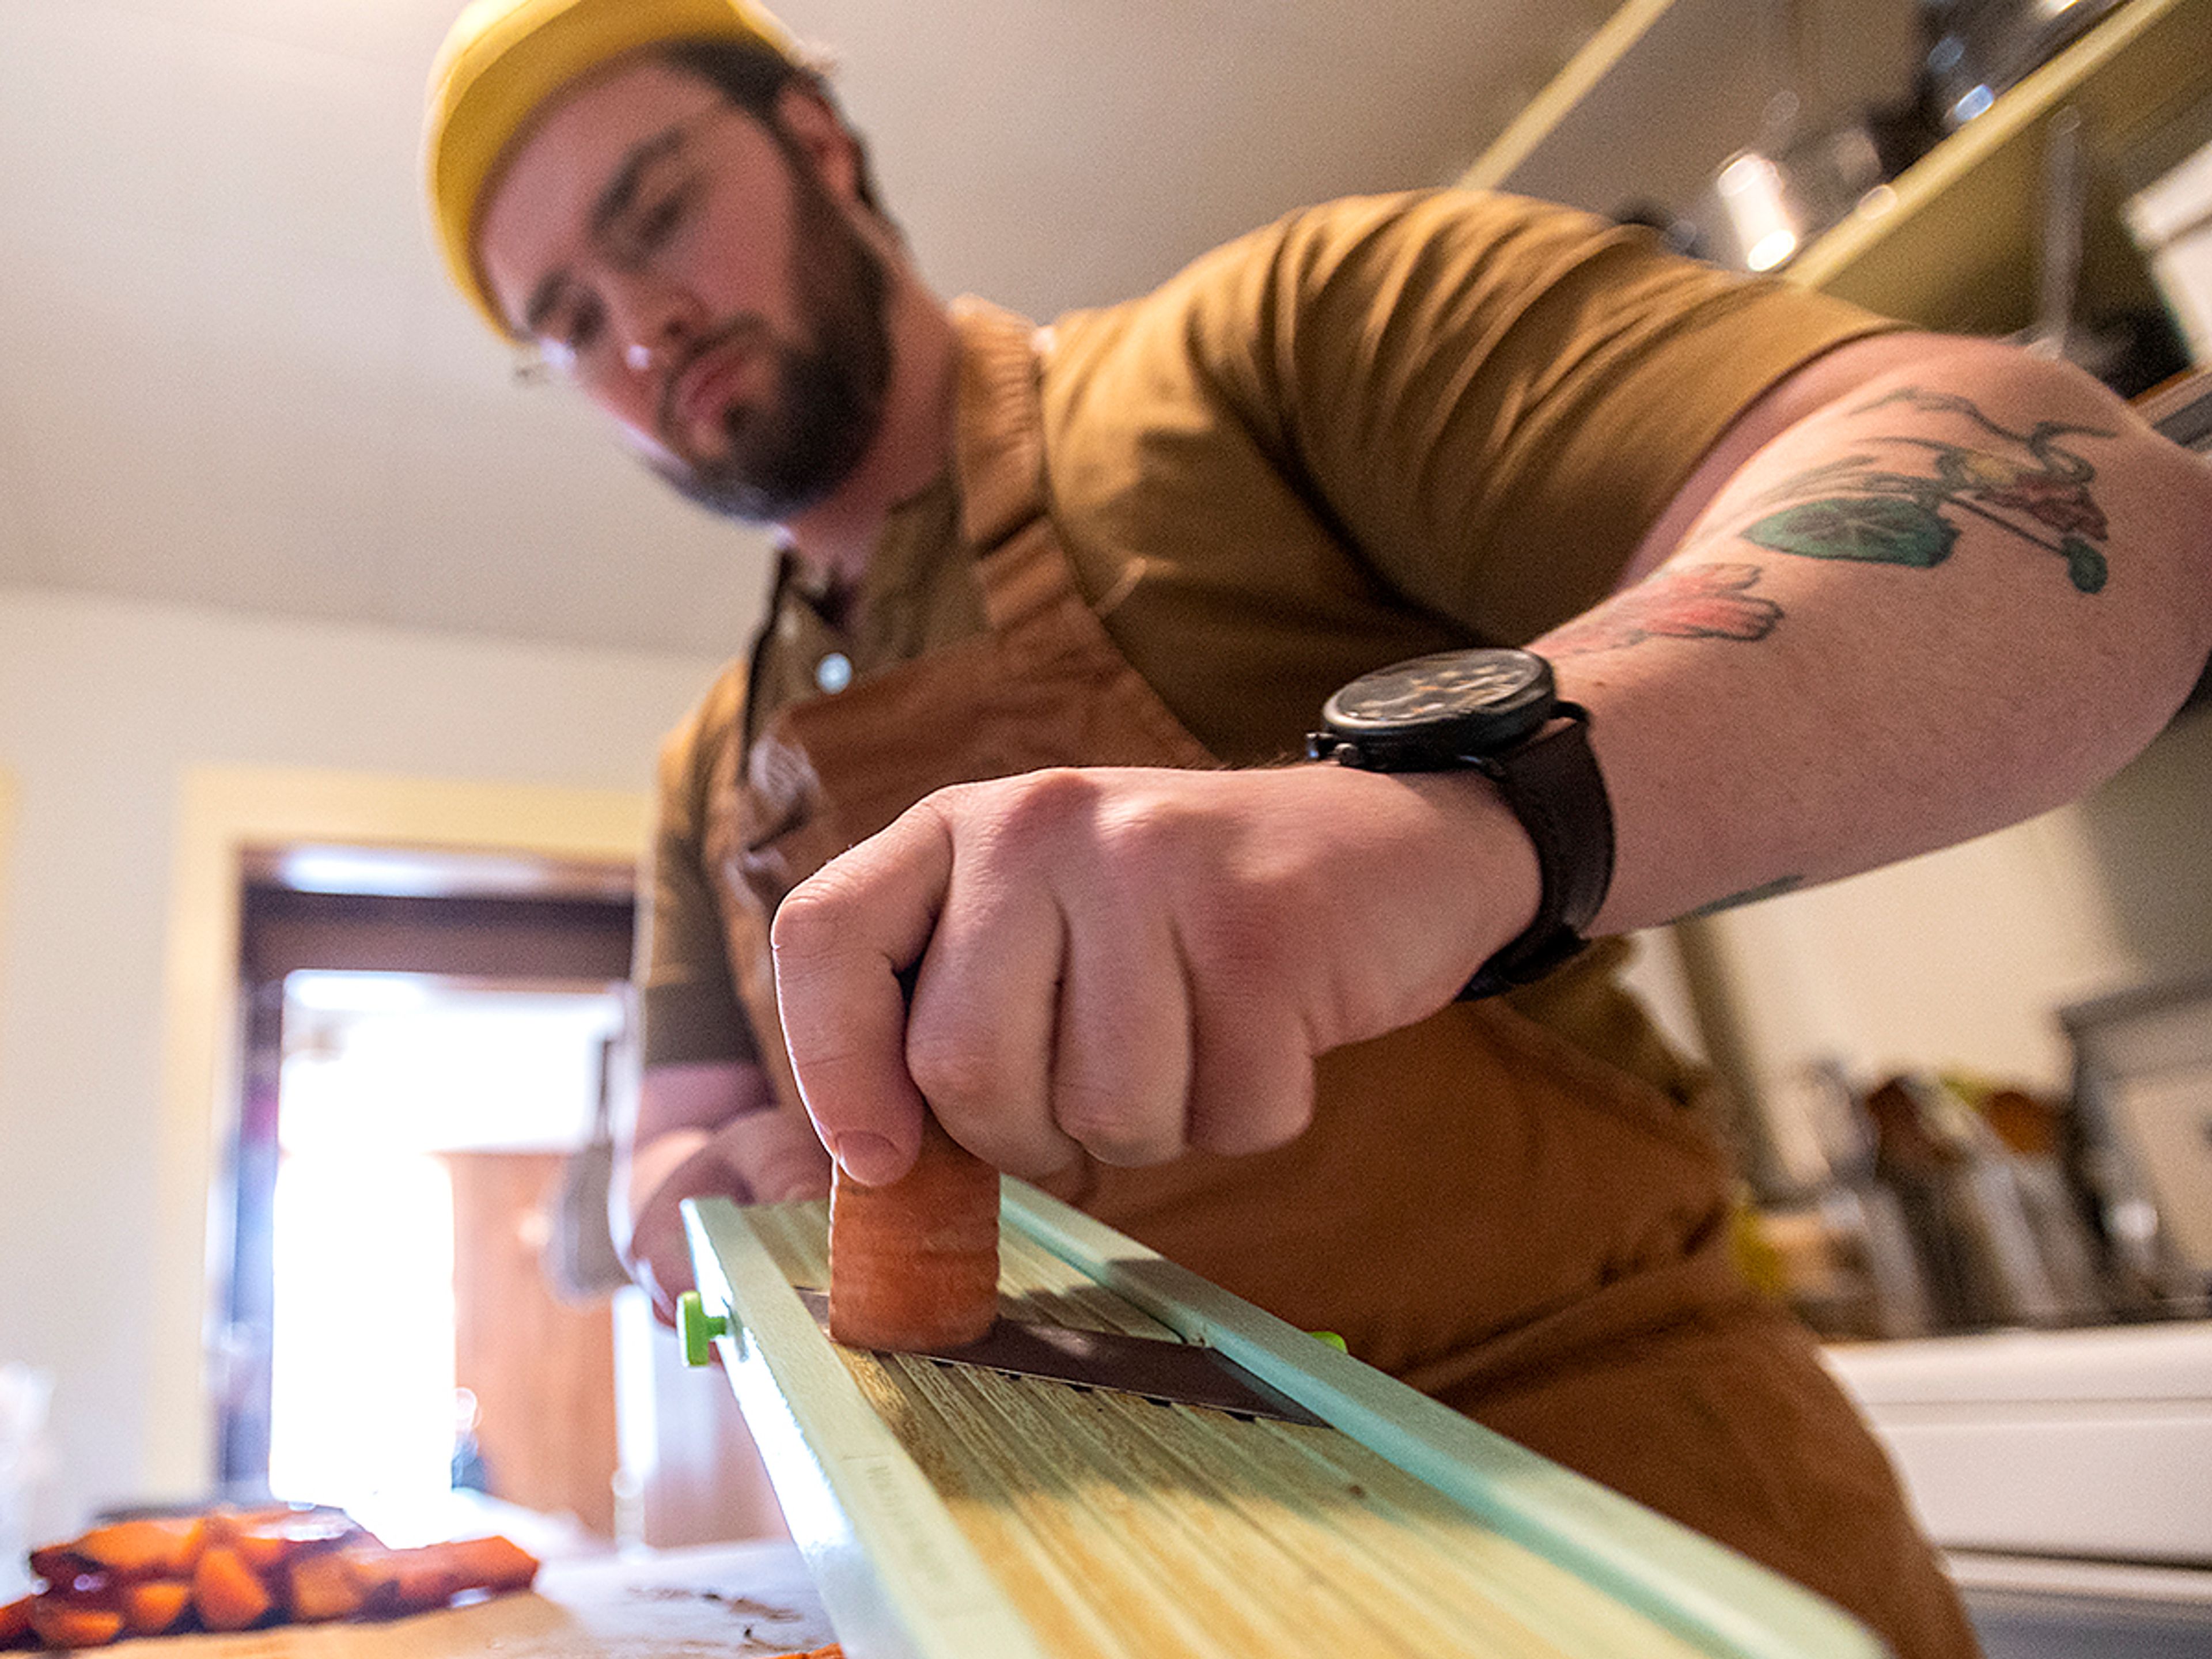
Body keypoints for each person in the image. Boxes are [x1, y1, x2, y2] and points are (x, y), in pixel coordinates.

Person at [421, 3, 2212, 1654]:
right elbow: (668, 1163)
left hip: (1612, 1530)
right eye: (567, 322)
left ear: (816, 144)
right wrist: (704, 1200)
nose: (637, 326)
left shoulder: (1275, 353)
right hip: (1047, 1605)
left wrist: (1443, 830)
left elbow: (2097, 515)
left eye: (655, 213)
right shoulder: (704, 773)